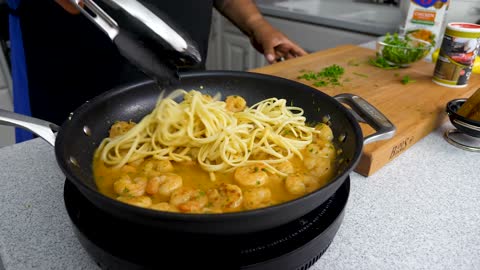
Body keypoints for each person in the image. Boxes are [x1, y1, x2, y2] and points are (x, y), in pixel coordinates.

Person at [9, 0, 307, 137]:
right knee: (64, 154)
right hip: (69, 66)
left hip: (180, 72)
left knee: (193, 123)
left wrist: (257, 25)